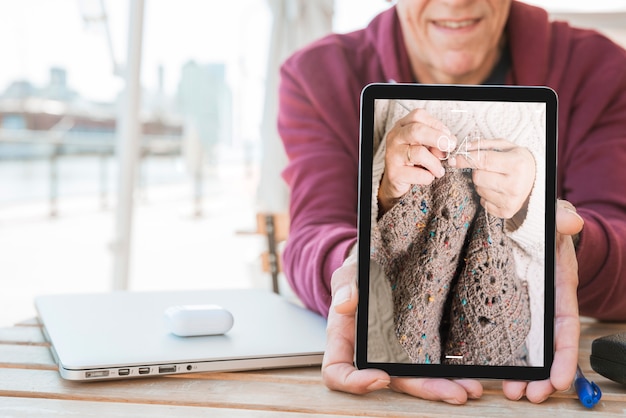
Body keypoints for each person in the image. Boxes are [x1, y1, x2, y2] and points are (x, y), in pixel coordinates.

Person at [277, 0, 626, 404]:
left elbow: (617, 231)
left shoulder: (598, 68)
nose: (455, 1)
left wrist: (555, 231)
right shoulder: (318, 75)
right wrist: (364, 260)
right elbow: (312, 235)